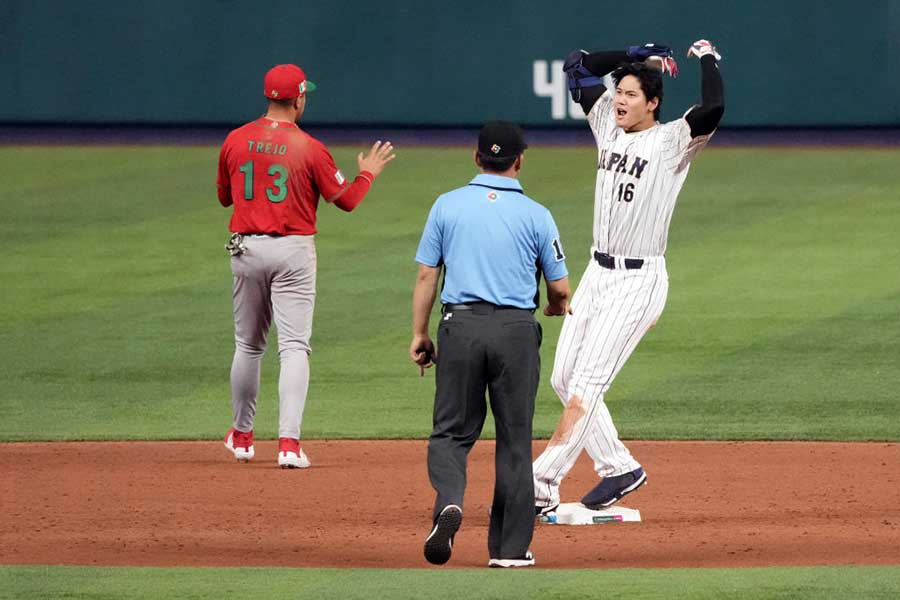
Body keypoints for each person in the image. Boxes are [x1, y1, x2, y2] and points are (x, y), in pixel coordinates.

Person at [532, 40, 725, 514]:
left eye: (632, 93)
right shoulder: (606, 124)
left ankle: (538, 483)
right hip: (597, 274)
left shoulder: (671, 141)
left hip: (638, 284)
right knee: (563, 378)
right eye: (619, 90)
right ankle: (620, 468)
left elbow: (715, 106)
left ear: (653, 103)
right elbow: (575, 64)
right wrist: (632, 54)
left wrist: (706, 58)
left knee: (587, 386)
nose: (619, 98)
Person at [217, 63, 396, 468]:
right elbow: (346, 200)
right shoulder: (309, 147)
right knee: (293, 347)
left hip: (246, 249)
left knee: (248, 344)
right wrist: (367, 173)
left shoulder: (235, 140)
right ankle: (288, 445)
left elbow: (225, 198)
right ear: (298, 99)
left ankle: (243, 437)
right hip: (294, 251)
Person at [410, 121, 571, 568]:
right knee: (515, 439)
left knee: (451, 432)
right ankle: (510, 550)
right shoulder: (537, 214)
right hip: (516, 332)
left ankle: (449, 500)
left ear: (476, 157)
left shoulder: (447, 205)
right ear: (520, 160)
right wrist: (556, 308)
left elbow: (427, 275)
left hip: (459, 328)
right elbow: (559, 287)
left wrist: (420, 334)